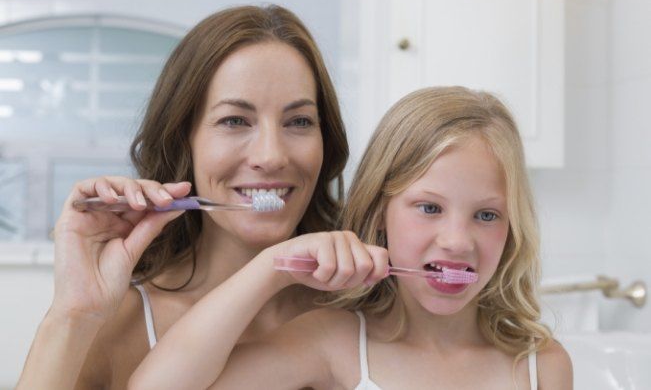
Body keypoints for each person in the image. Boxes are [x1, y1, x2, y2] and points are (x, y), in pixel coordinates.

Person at [129, 86, 573, 389]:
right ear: (381, 212)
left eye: (487, 214)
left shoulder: (543, 367)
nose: (458, 240)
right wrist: (270, 267)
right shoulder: (333, 341)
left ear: (513, 226)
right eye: (429, 208)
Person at [16, 4, 349, 389]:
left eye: (299, 121)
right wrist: (74, 314)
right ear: (183, 140)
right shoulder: (117, 324)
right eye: (235, 121)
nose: (271, 156)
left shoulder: (367, 312)